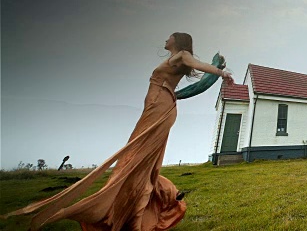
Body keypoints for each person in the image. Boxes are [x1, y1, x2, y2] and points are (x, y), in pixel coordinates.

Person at [3, 32, 233, 230]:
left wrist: (221, 73)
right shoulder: (175, 59)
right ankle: (155, 202)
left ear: (178, 41)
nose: (166, 38)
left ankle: (135, 213)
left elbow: (199, 67)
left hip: (160, 109)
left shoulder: (182, 55)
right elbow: (196, 81)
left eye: (169, 36)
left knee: (137, 161)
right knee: (138, 162)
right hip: (157, 108)